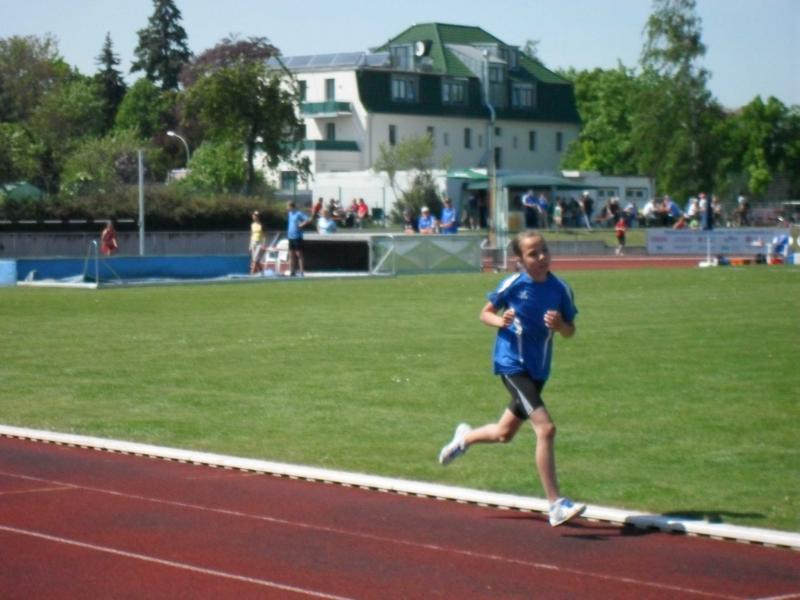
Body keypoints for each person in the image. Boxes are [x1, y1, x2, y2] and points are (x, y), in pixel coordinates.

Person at [438, 230, 586, 528]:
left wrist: (560, 326)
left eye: (544, 250)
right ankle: (555, 504)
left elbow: (571, 330)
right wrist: (500, 320)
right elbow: (485, 314)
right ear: (519, 260)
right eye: (533, 254)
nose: (541, 257)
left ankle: (463, 439)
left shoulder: (560, 289)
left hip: (538, 370)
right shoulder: (514, 285)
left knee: (504, 434)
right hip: (512, 365)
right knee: (546, 428)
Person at [286, 201, 310, 276]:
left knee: (299, 254)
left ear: (292, 206)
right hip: (290, 236)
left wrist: (301, 225)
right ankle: (292, 271)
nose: (287, 208)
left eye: (288, 206)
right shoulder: (289, 214)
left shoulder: (298, 213)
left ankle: (301, 271)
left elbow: (307, 219)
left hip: (297, 236)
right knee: (291, 255)